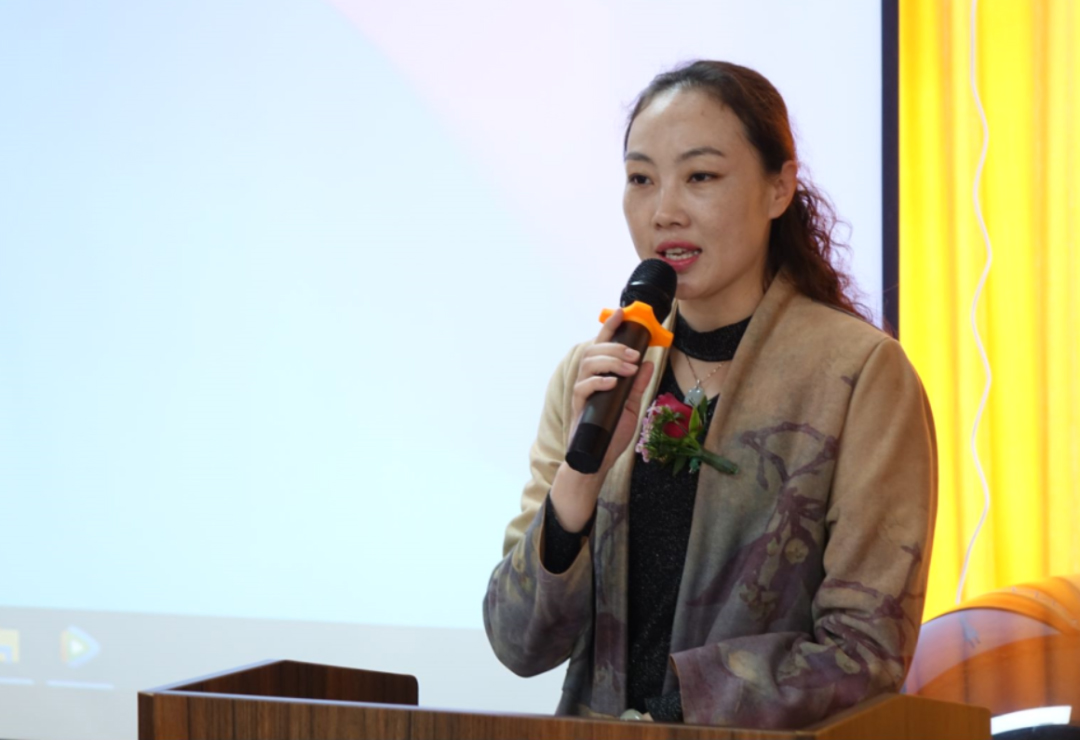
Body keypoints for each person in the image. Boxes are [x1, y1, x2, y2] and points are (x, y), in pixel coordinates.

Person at [483, 60, 937, 729]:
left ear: (779, 188)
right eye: (641, 179)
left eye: (700, 176)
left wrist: (671, 710)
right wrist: (579, 479)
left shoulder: (860, 374)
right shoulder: (595, 373)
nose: (664, 211)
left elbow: (864, 653)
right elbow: (518, 642)